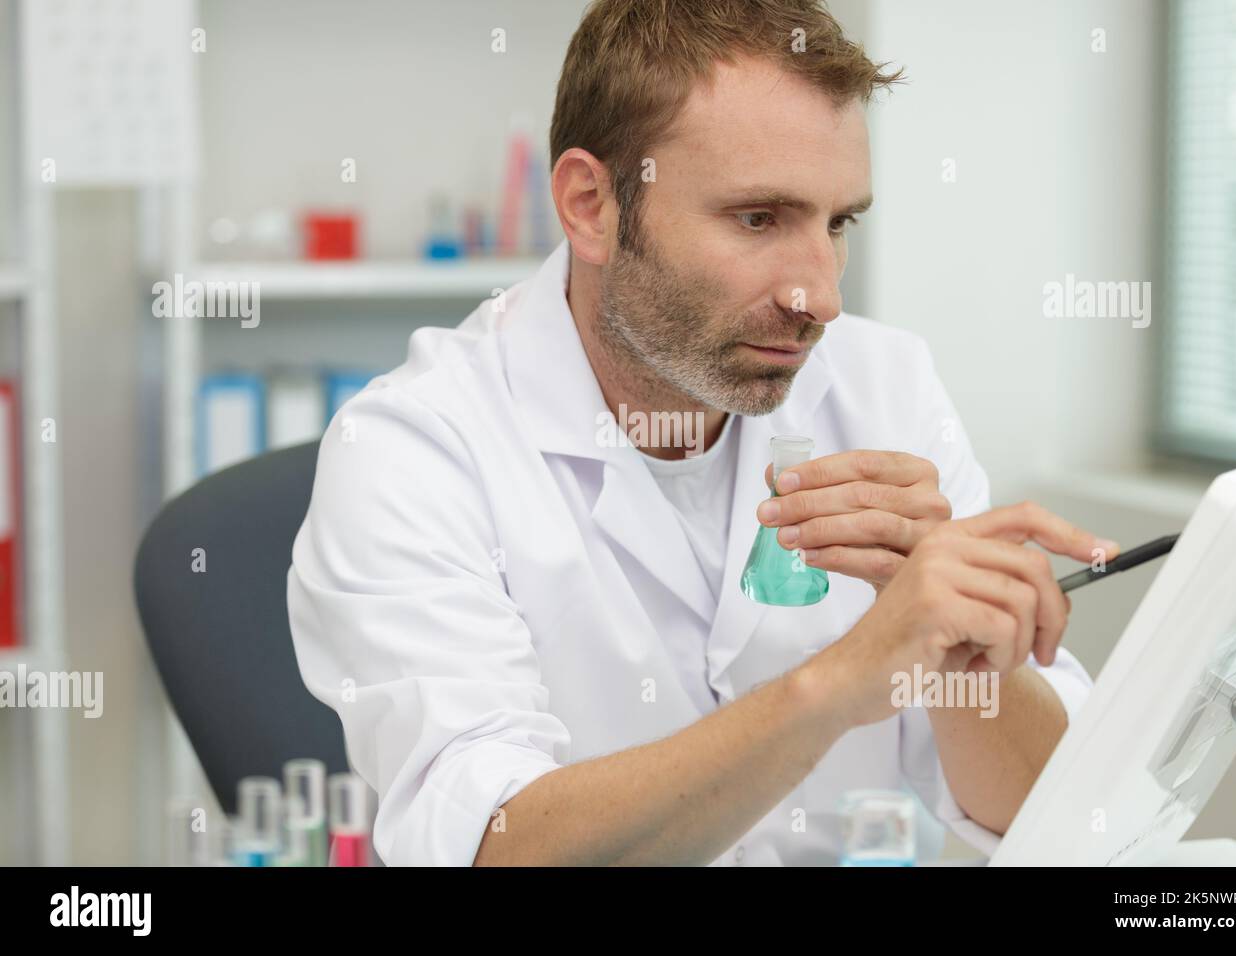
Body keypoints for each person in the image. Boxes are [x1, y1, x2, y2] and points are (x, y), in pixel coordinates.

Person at [287, 0, 1117, 866]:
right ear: (590, 204)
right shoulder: (416, 451)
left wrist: (964, 655)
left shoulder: (885, 389)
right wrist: (840, 682)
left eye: (837, 225)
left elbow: (1054, 820)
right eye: (758, 219)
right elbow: (494, 844)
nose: (821, 297)